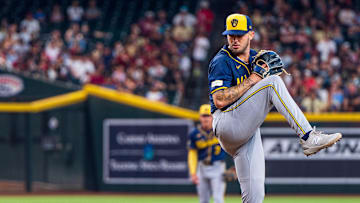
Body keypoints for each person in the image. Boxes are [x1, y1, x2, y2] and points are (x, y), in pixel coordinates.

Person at [208, 14, 342, 203]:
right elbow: (219, 100)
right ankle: (308, 137)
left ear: (251, 34)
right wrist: (254, 79)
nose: (235, 39)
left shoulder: (256, 58)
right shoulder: (221, 61)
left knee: (255, 197)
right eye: (231, 35)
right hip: (226, 122)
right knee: (272, 83)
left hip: (247, 133)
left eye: (240, 34)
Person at [188, 104, 226, 203]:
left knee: (218, 199)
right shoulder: (194, 133)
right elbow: (192, 154)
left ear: (213, 116)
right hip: (202, 168)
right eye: (203, 116)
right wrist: (193, 173)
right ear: (200, 117)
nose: (205, 118)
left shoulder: (220, 130)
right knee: (203, 200)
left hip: (218, 167)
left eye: (208, 115)